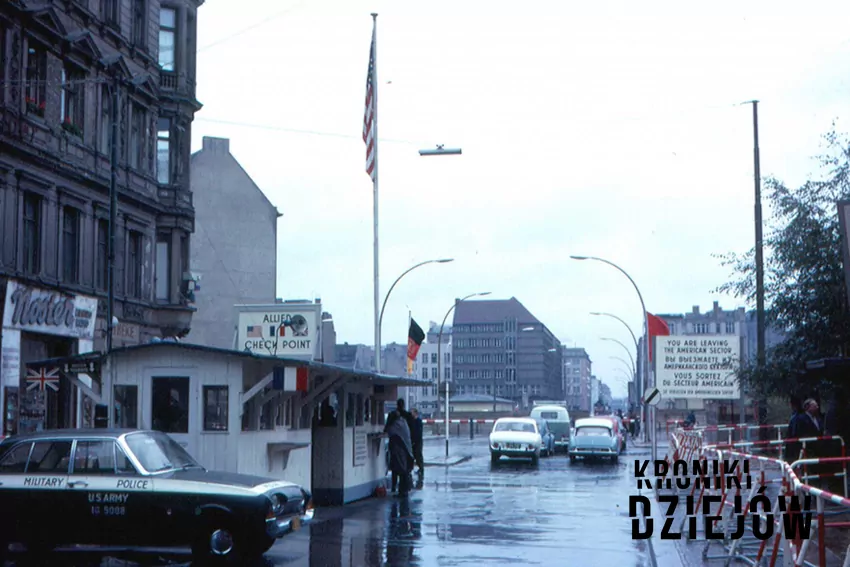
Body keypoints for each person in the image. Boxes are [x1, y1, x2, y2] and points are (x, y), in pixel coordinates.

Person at [384, 410, 414, 496]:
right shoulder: (403, 422)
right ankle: (403, 490)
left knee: (400, 469)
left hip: (400, 449)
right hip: (406, 448)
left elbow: (388, 430)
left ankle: (402, 491)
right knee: (402, 470)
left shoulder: (395, 425)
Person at [410, 408, 424, 477]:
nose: (411, 414)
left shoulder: (418, 421)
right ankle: (411, 470)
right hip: (412, 441)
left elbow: (418, 433)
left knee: (418, 456)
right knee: (411, 456)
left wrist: (415, 441)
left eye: (412, 412)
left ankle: (421, 469)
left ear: (415, 413)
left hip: (418, 442)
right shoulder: (412, 421)